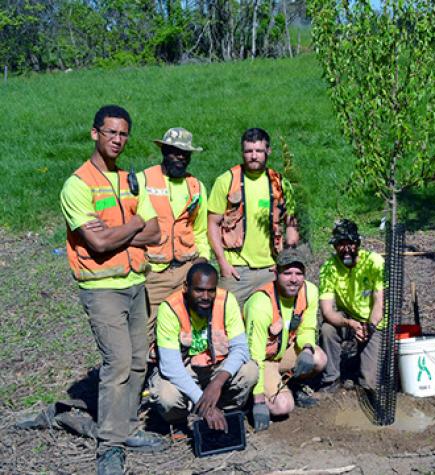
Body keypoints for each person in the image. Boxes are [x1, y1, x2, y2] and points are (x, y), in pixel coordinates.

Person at [60, 105, 164, 474]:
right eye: (110, 133)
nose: (117, 140)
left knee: (138, 361)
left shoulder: (131, 179)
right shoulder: (78, 184)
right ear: (95, 134)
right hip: (102, 287)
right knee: (117, 362)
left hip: (136, 282)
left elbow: (157, 232)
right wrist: (136, 226)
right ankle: (109, 446)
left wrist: (128, 230)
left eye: (123, 134)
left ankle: (128, 425)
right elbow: (97, 243)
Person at [148, 263, 258, 433]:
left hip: (216, 367)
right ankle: (180, 421)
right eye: (198, 290)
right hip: (186, 371)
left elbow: (241, 349)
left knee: (249, 370)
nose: (206, 296)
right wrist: (202, 402)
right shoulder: (170, 309)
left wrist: (218, 382)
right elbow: (171, 367)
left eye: (211, 290)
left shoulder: (226, 301)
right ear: (186, 287)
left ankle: (227, 411)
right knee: (166, 395)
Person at [207, 128, 300, 309]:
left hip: (270, 270)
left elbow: (291, 223)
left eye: (258, 151)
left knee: (269, 325)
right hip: (236, 271)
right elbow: (212, 224)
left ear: (268, 151)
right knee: (228, 324)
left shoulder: (279, 183)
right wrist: (222, 263)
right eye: (249, 151)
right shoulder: (226, 181)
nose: (254, 156)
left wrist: (285, 258)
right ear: (242, 152)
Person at [244, 248, 327, 431]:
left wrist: (306, 348)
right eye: (287, 273)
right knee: (283, 406)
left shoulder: (309, 292)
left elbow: (307, 328)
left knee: (317, 358)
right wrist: (258, 401)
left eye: (298, 273)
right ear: (276, 273)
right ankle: (252, 398)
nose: (293, 279)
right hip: (263, 361)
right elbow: (254, 357)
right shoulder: (260, 304)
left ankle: (293, 385)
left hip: (283, 352)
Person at [141, 128, 209, 344]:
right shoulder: (144, 180)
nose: (180, 157)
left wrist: (202, 261)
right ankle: (146, 371)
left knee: (190, 324)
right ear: (164, 151)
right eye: (174, 151)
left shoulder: (196, 187)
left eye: (185, 153)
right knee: (144, 330)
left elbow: (200, 229)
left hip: (186, 268)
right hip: (153, 271)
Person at [318, 219, 385, 393]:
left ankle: (360, 367)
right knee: (327, 329)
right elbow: (327, 311)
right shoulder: (328, 268)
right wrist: (350, 324)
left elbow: (380, 302)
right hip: (348, 320)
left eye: (350, 244)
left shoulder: (374, 262)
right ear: (334, 247)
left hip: (373, 322)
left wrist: (369, 327)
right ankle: (331, 379)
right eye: (341, 244)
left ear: (358, 243)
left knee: (369, 384)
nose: (346, 249)